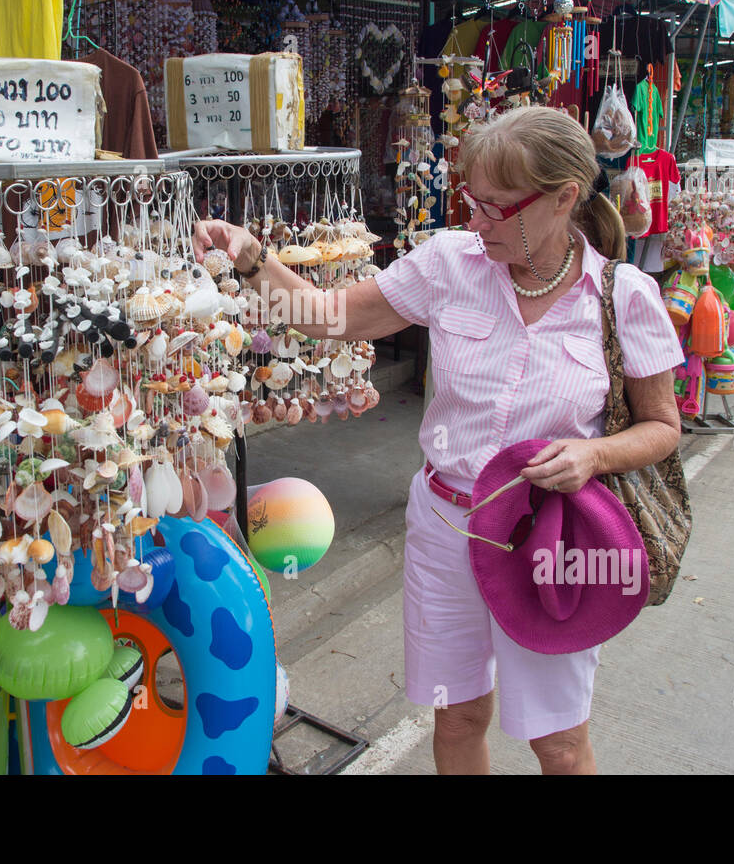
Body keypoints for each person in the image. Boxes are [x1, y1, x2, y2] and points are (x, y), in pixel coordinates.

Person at [192, 107, 684, 775]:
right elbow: (330, 318)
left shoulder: (622, 297)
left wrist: (593, 454)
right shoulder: (452, 263)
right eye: (470, 201)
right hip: (446, 524)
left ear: (564, 198)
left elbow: (662, 427)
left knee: (559, 743)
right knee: (457, 717)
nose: (476, 221)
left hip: (550, 540)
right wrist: (251, 258)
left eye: (496, 207)